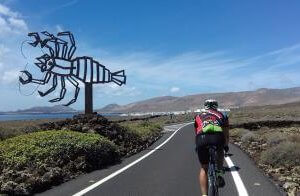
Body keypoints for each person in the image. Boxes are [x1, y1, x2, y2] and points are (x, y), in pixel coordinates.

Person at [194, 99, 229, 196]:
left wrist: (197, 146)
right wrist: (225, 145)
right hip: (217, 137)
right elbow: (226, 134)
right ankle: (219, 173)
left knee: (204, 168)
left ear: (205, 106)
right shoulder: (223, 115)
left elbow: (196, 132)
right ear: (216, 106)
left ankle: (204, 195)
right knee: (220, 151)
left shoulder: (198, 116)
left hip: (201, 138)